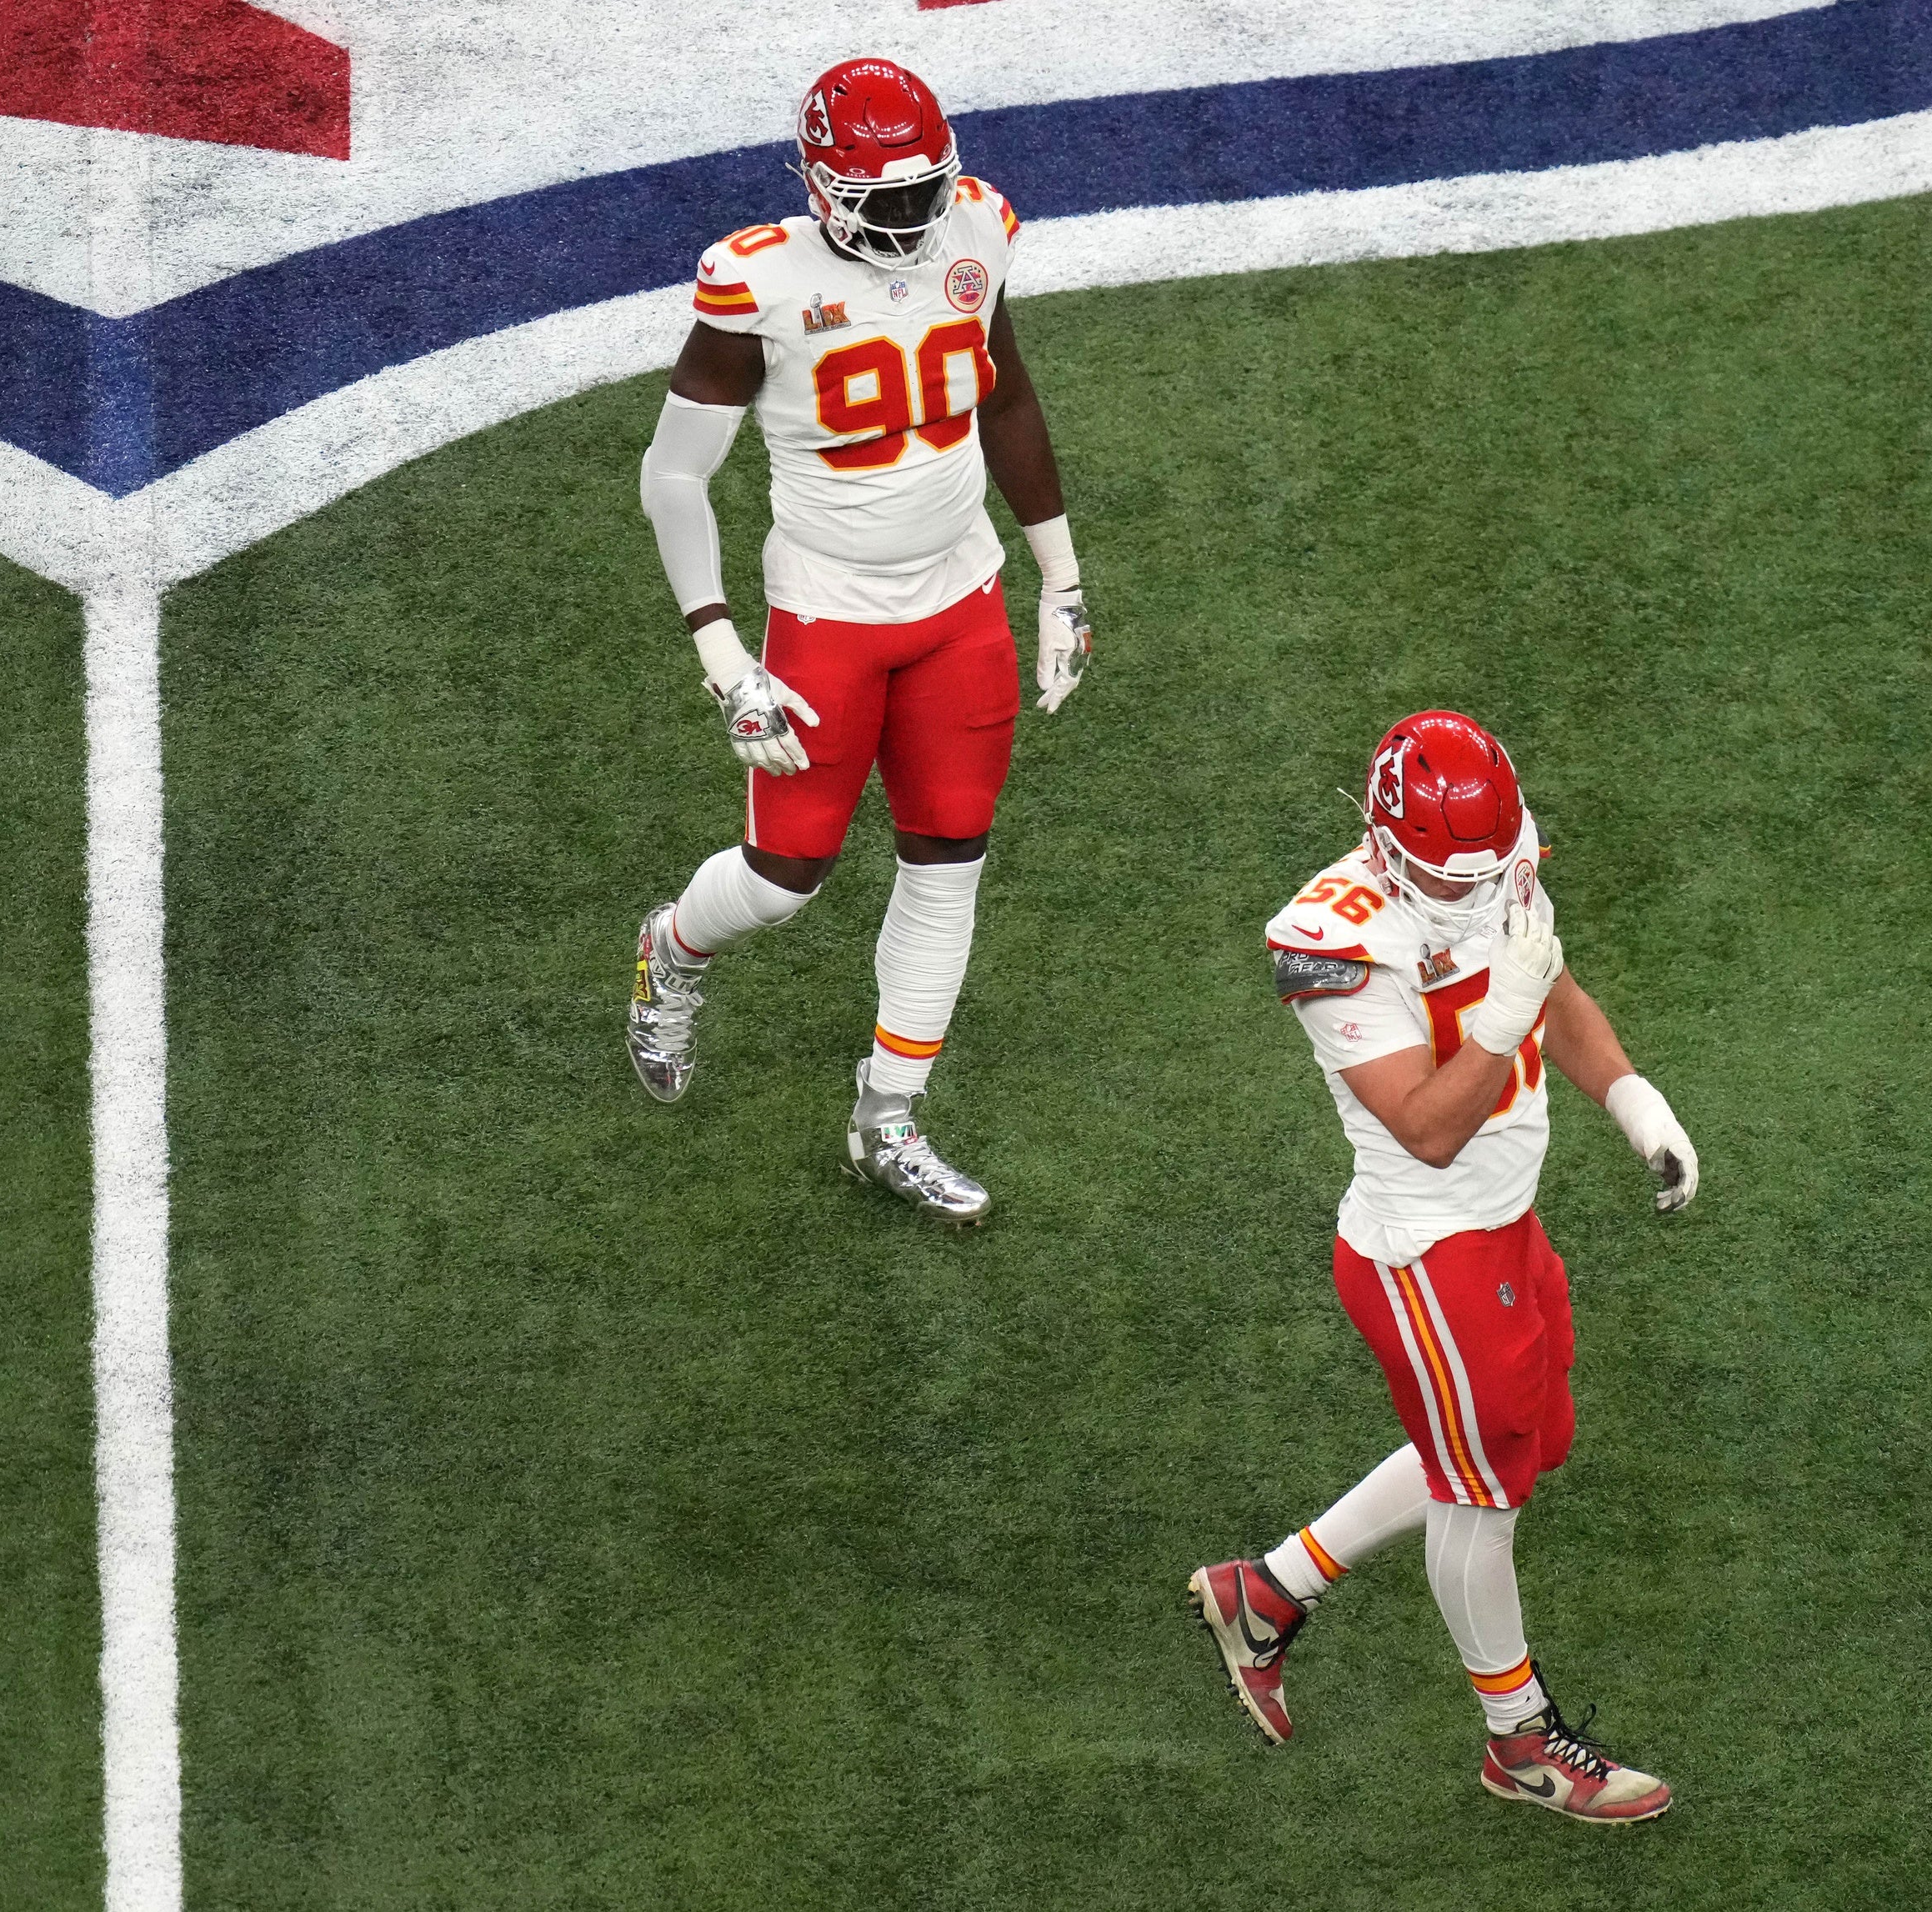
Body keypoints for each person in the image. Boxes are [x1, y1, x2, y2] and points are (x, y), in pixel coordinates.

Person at [1186, 710, 1700, 1824]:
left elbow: (1550, 992)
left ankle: (1266, 1587)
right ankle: (1517, 1742)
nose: (1473, 888)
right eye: (1443, 869)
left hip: (1504, 1228)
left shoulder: (1494, 859)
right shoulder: (1332, 937)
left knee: (1508, 1444)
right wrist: (1502, 1015)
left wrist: (1630, 1098)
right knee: (1482, 1488)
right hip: (1426, 1255)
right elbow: (1424, 1125)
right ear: (1381, 836)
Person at [627, 56, 1091, 1226]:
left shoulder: (975, 226)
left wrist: (1060, 580)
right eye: (885, 200)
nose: (914, 218)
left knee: (949, 859)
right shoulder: (759, 284)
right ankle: (674, 946)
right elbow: (673, 475)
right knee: (787, 877)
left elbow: (1006, 397)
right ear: (824, 186)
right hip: (828, 609)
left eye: (924, 190)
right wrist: (725, 658)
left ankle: (889, 1115)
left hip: (960, 601)